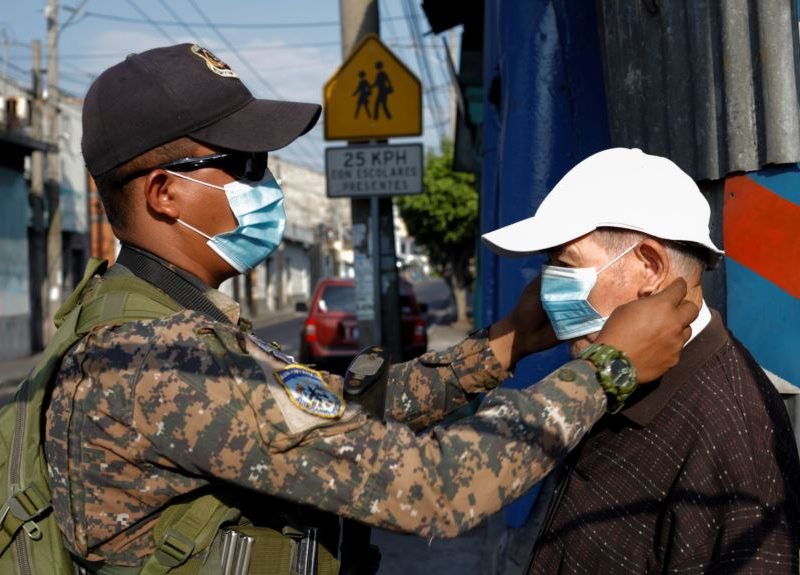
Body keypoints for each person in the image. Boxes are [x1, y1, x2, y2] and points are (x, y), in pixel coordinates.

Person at [44, 45, 697, 573]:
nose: (265, 182)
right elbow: (434, 489)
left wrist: (507, 343)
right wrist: (607, 370)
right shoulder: (165, 362)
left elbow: (340, 412)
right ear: (165, 193)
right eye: (243, 163)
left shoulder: (150, 322)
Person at [482, 147, 800, 574]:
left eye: (565, 267)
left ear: (650, 268)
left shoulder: (733, 439)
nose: (547, 292)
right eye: (547, 267)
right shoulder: (619, 376)